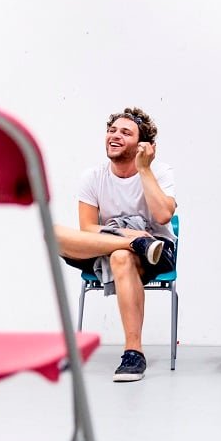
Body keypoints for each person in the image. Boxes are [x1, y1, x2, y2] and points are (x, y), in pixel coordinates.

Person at [56, 107, 177, 382]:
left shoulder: (160, 171)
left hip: (157, 250)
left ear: (143, 144)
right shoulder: (93, 176)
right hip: (113, 245)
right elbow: (87, 228)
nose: (115, 136)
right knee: (50, 233)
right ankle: (136, 243)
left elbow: (162, 216)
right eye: (112, 130)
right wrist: (133, 238)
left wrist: (144, 169)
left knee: (121, 258)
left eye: (125, 132)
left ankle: (134, 353)